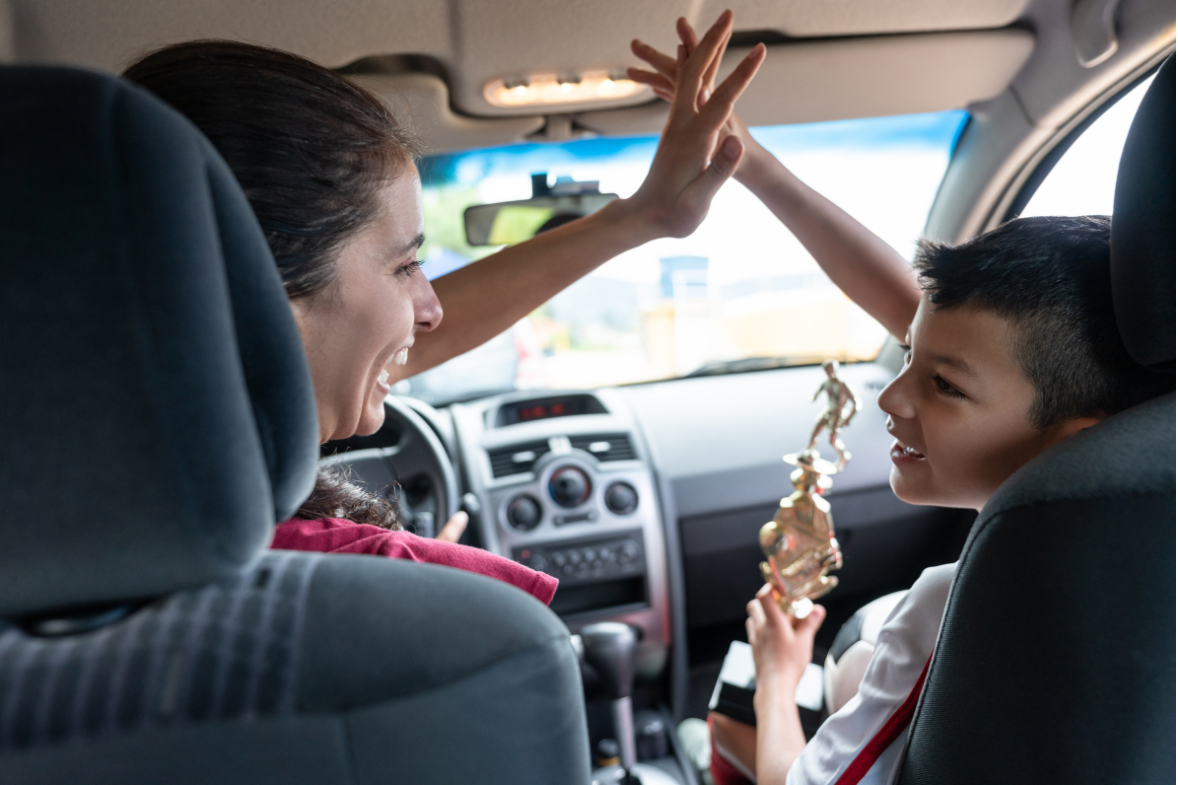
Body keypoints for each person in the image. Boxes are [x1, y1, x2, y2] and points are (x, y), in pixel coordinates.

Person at [629, 19, 1174, 785]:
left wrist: (780, 675)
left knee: (740, 713)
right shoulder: (1152, 453)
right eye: (908, 357)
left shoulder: (955, 608)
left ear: (1077, 441)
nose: (888, 395)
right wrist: (753, 167)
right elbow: (927, 316)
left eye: (942, 384)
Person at [122, 13, 766, 603]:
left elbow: (347, 336)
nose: (429, 310)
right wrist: (428, 577)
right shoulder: (400, 592)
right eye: (405, 265)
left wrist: (644, 216)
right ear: (263, 300)